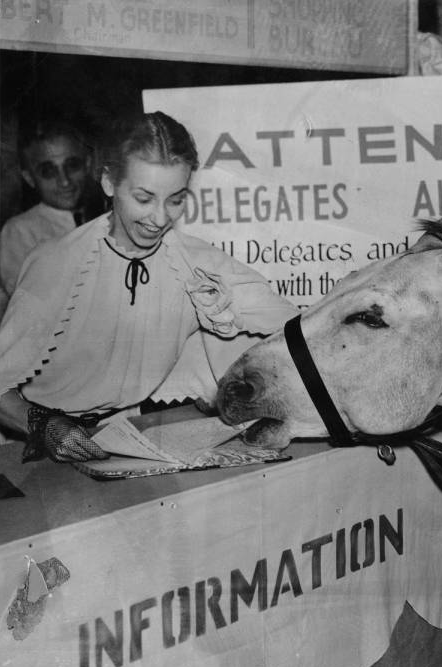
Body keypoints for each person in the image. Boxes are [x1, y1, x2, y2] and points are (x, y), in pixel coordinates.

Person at [0, 111, 297, 463]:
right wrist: (42, 425)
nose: (159, 219)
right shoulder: (55, 263)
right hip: (29, 445)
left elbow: (296, 326)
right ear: (109, 183)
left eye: (175, 200)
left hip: (125, 439)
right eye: (143, 198)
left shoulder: (196, 261)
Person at [0, 118, 103, 315]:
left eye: (72, 165)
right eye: (48, 171)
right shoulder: (19, 231)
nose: (64, 181)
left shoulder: (105, 215)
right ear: (30, 178)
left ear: (88, 163)